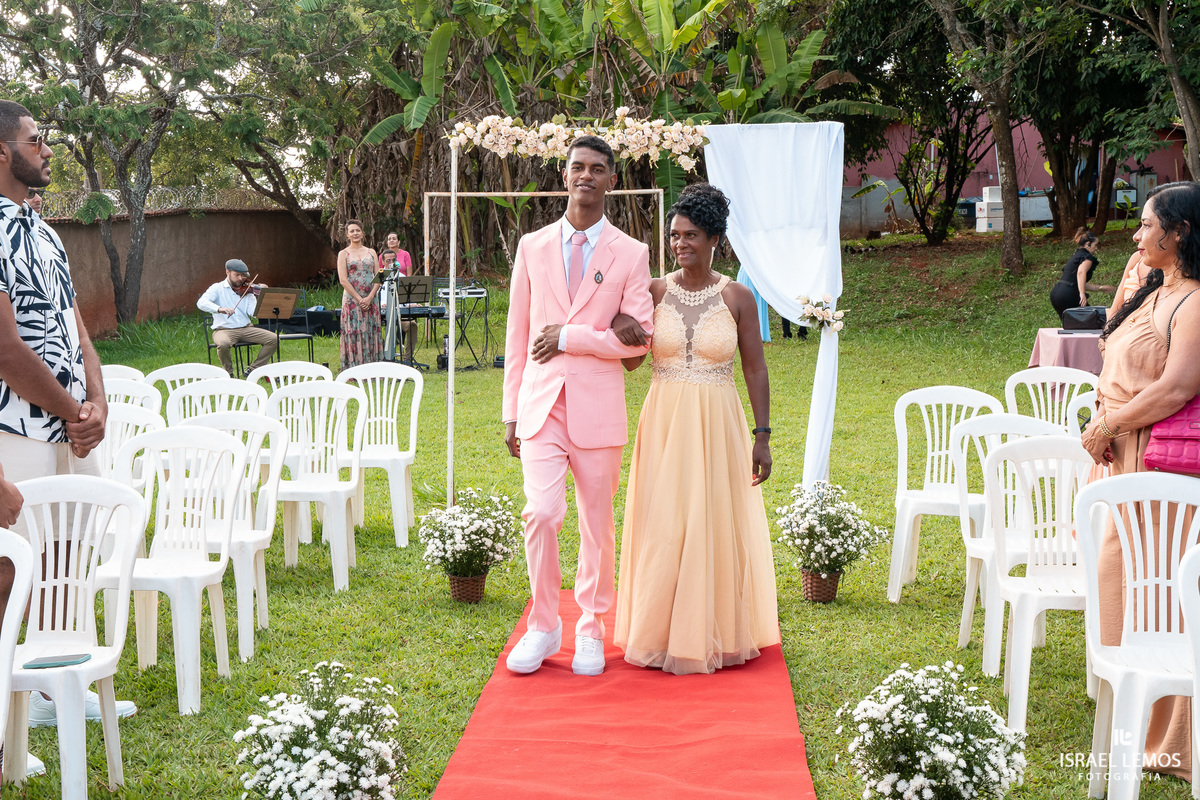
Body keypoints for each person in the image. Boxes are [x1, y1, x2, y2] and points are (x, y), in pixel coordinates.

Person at [0, 99, 135, 747]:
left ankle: (57, 689)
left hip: (70, 426)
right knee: (11, 565)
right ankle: (7, 713)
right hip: (18, 427)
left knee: (67, 554)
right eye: (35, 139)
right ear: (3, 151)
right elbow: (5, 350)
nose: (47, 148)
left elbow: (77, 327)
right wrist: (67, 410)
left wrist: (97, 404)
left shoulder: (45, 231)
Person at [502, 134, 654, 677]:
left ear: (611, 179)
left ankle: (590, 625)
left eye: (596, 168)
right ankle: (544, 625)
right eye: (576, 167)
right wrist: (511, 412)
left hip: (597, 406)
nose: (585, 175)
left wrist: (571, 337)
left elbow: (638, 341)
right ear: (564, 175)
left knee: (596, 522)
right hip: (541, 405)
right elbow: (518, 332)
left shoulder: (632, 254)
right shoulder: (532, 246)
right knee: (541, 514)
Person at [614, 183, 780, 675]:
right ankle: (658, 630)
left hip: (717, 421)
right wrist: (623, 325)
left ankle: (717, 630)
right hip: (663, 418)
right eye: (673, 235)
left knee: (711, 519)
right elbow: (630, 367)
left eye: (690, 235)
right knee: (663, 521)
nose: (680, 243)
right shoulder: (653, 291)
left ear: (713, 240)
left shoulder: (738, 297)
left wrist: (763, 434)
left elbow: (755, 368)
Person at [1081, 181, 1200, 782]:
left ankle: (1171, 743)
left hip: (1160, 465)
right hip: (1122, 452)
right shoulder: (1158, 288)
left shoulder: (1196, 299)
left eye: (1148, 224)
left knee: (1160, 593)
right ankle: (1129, 714)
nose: (1136, 234)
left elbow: (1179, 385)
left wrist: (1114, 421)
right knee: (1120, 584)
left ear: (1178, 232)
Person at [196, 258, 278, 377]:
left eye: (243, 275)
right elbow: (201, 303)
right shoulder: (217, 288)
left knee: (273, 339)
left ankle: (253, 370)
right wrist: (219, 309)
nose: (240, 278)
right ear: (227, 272)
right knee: (223, 343)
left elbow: (253, 313)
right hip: (224, 329)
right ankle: (228, 374)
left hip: (246, 328)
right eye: (237, 275)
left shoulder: (248, 291)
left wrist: (260, 296)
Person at [338, 218, 383, 369]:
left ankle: (373, 367)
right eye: (352, 231)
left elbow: (379, 277)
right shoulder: (343, 254)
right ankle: (354, 368)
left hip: (372, 298)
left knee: (371, 329)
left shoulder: (372, 252)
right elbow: (343, 280)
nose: (355, 233)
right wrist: (359, 299)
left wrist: (369, 298)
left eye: (358, 230)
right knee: (355, 330)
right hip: (352, 300)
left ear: (362, 233)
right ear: (347, 235)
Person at [1050, 228, 1115, 321]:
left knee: (1070, 325)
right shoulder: (1087, 257)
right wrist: (1082, 293)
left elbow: (1076, 282)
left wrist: (1100, 288)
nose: (1096, 248)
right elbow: (1081, 273)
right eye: (1095, 245)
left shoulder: (1076, 255)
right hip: (1068, 294)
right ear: (1088, 244)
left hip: (1056, 294)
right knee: (1089, 321)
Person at [380, 250, 417, 364]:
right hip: (382, 315)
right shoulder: (379, 277)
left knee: (412, 325)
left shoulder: (402, 277)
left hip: (400, 313)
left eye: (393, 260)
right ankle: (384, 357)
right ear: (383, 262)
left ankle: (407, 359)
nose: (391, 263)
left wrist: (411, 303)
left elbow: (407, 297)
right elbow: (373, 296)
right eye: (388, 261)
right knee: (372, 328)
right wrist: (381, 304)